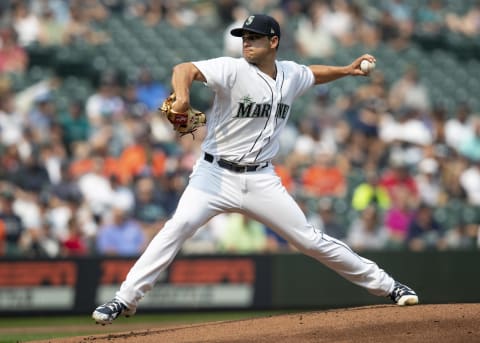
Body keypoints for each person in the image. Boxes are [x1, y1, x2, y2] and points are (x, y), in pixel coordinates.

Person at [92, 14, 418, 324]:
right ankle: (125, 298)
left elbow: (312, 73)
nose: (246, 42)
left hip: (261, 178)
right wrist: (181, 96)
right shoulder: (232, 70)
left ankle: (389, 286)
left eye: (254, 38)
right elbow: (184, 68)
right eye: (244, 37)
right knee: (178, 227)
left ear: (273, 41)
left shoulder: (290, 74)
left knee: (308, 240)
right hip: (214, 175)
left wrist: (347, 71)